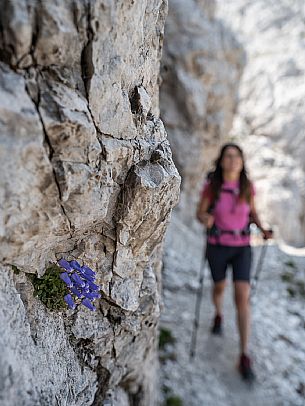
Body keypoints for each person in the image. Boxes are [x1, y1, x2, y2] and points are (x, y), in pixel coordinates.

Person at [196, 142, 272, 381]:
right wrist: (206, 218)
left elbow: (252, 212)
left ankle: (244, 354)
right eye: (228, 156)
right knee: (219, 287)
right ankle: (218, 313)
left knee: (242, 298)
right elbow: (200, 212)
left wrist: (262, 229)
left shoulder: (247, 187)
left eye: (237, 157)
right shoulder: (213, 186)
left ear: (242, 161)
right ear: (221, 161)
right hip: (217, 247)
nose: (233, 160)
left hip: (242, 248)